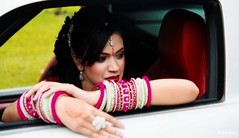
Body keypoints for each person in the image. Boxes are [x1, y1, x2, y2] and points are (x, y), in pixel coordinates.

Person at [1, 5, 199, 138]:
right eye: (101, 58)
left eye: (120, 55)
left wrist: (95, 99)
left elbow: (190, 90)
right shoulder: (58, 86)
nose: (114, 67)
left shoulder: (124, 90)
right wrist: (59, 104)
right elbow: (8, 115)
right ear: (78, 61)